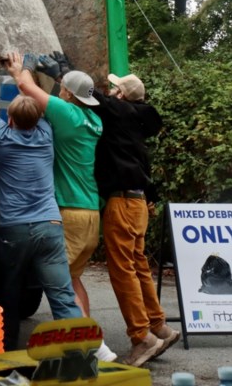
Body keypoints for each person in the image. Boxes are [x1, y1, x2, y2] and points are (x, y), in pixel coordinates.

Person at [0, 45, 83, 352]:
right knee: (62, 296)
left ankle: (8, 350)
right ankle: (79, 355)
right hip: (50, 224)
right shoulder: (47, 133)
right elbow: (41, 99)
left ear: (8, 118)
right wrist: (19, 70)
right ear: (39, 118)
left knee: (9, 292)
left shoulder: (2, 137)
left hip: (15, 229)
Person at [90, 71, 180, 367]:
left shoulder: (121, 112)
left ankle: (141, 337)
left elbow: (95, 99)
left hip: (123, 201)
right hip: (138, 201)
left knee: (122, 271)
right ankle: (159, 327)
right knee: (138, 264)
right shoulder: (136, 122)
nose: (112, 92)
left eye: (116, 89)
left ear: (123, 96)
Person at [11, 54, 103, 321]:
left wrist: (23, 67)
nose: (59, 90)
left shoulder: (67, 113)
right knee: (73, 279)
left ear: (69, 95)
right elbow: (65, 94)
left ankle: (90, 345)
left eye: (63, 88)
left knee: (60, 282)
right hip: (91, 211)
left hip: (70, 210)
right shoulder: (93, 119)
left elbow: (26, 88)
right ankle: (90, 335)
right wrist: (60, 76)